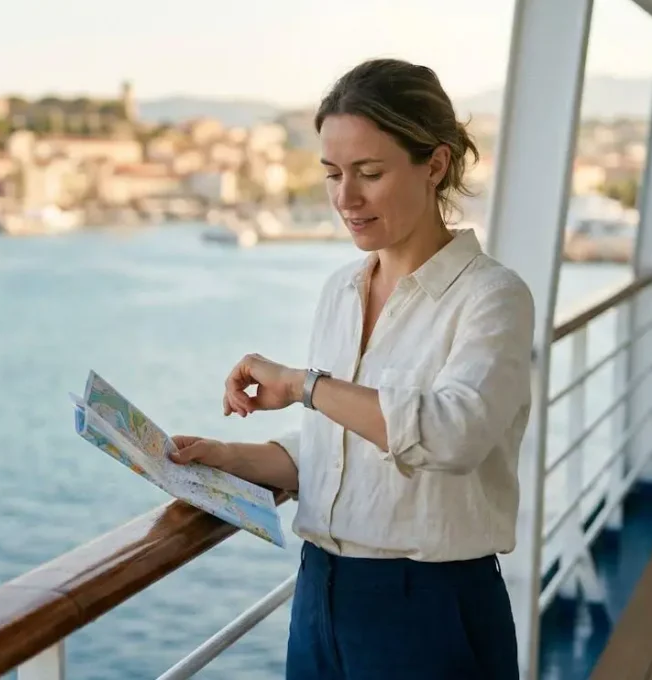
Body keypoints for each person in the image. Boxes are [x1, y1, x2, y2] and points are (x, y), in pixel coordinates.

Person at [169, 58, 534, 679]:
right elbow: (336, 449)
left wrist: (303, 386)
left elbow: (451, 434)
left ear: (436, 164)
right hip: (319, 597)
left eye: (369, 173)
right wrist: (233, 458)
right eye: (333, 174)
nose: (346, 198)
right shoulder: (341, 290)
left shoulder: (492, 297)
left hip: (430, 610)